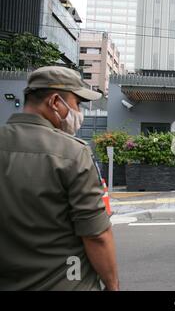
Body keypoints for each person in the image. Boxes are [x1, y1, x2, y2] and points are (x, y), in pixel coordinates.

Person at [0, 66, 119, 291]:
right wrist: (113, 285)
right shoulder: (72, 152)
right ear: (55, 102)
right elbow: (97, 236)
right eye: (77, 103)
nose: (80, 112)